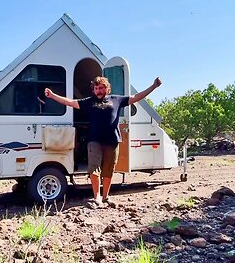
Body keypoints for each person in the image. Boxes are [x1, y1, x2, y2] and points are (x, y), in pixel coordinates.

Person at [44, 76, 162, 208]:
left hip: (112, 140)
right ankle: (97, 197)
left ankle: (105, 197)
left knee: (108, 170)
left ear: (107, 88)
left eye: (101, 88)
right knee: (94, 169)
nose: (98, 91)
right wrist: (53, 96)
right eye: (96, 88)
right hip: (94, 140)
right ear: (93, 90)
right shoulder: (88, 102)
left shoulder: (116, 100)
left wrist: (153, 86)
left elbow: (136, 97)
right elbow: (70, 102)